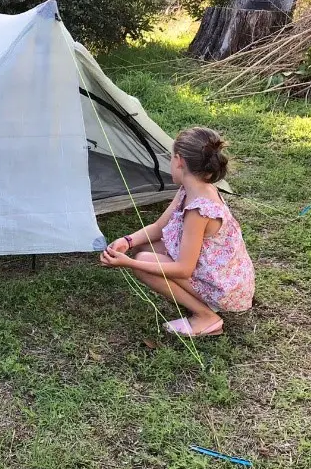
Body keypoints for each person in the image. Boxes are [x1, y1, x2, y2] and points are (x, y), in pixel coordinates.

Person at [100, 126, 254, 337]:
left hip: (223, 288)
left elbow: (184, 269)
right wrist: (127, 241)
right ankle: (197, 303)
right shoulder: (192, 188)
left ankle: (206, 316)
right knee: (144, 247)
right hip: (220, 274)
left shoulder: (199, 210)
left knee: (144, 264)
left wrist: (128, 263)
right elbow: (158, 228)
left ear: (179, 161)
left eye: (171, 158)